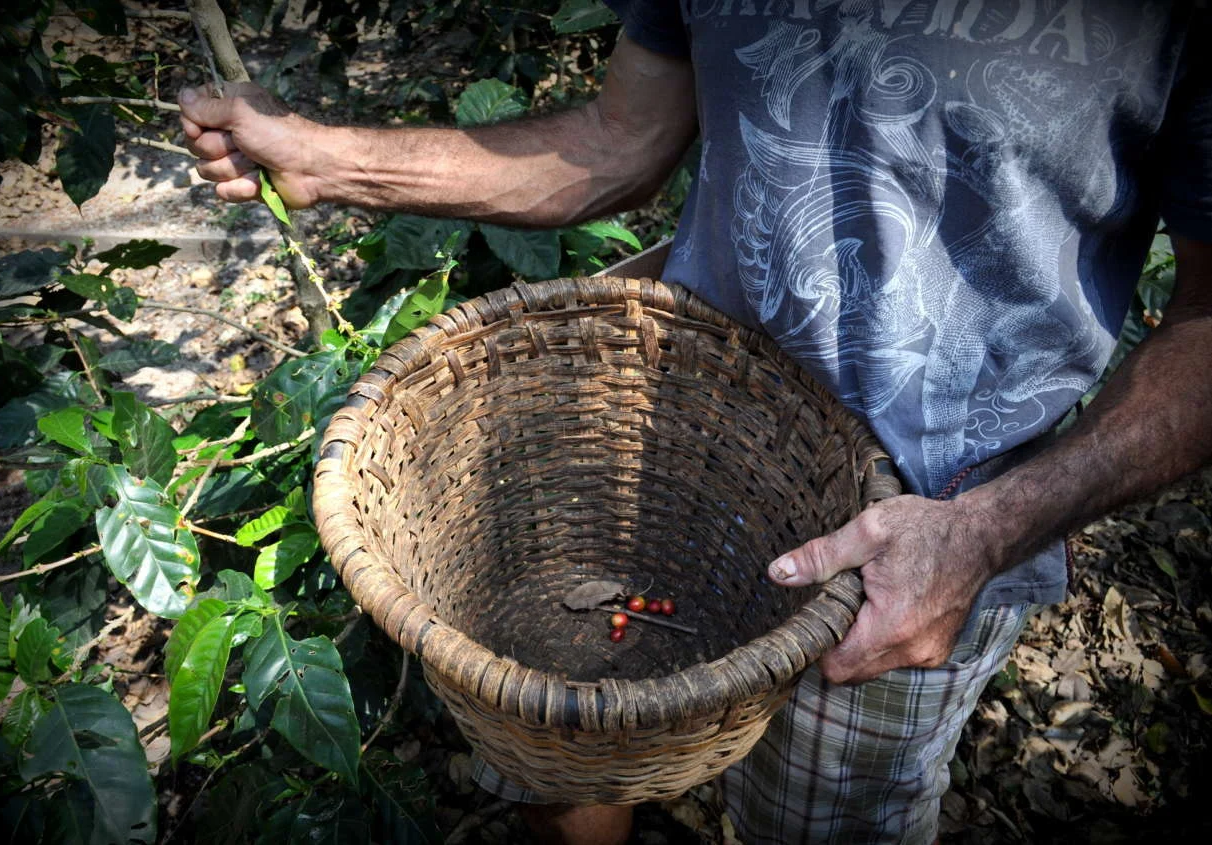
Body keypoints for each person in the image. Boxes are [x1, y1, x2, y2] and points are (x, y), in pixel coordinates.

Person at [179, 1, 1212, 842]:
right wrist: (325, 162)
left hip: (920, 531)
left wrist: (987, 530)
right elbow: (617, 137)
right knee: (573, 739)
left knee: (820, 823)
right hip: (680, 444)